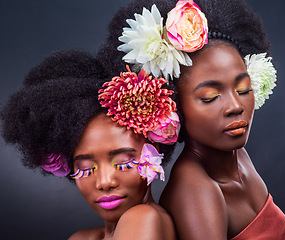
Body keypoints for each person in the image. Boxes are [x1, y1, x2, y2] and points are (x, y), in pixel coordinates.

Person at [98, 0, 285, 239]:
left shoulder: (236, 155)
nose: (235, 106)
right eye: (210, 97)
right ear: (174, 107)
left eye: (243, 89)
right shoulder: (195, 190)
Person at [0, 49, 177, 240]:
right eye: (85, 169)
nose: (104, 182)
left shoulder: (143, 217)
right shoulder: (81, 238)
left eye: (123, 163)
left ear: (153, 154)